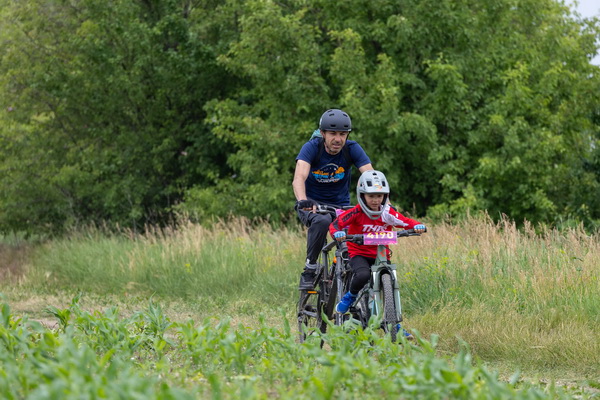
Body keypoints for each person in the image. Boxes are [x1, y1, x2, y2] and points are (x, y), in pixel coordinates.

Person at [329, 170, 426, 338]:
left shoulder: (387, 212)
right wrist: (337, 233)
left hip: (381, 254)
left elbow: (405, 221)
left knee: (390, 280)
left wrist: (416, 226)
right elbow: (337, 224)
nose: (376, 200)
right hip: (359, 253)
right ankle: (350, 297)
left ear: (385, 196)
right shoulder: (357, 212)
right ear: (362, 196)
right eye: (371, 196)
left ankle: (394, 325)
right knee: (363, 275)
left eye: (379, 196)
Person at [293, 109, 373, 290]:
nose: (338, 139)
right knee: (322, 221)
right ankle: (310, 267)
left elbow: (371, 176)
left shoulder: (352, 149)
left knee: (353, 237)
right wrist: (303, 201)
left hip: (341, 205)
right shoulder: (312, 148)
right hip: (312, 204)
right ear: (323, 133)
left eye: (342, 134)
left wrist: (384, 205)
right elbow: (299, 177)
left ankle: (349, 284)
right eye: (333, 134)